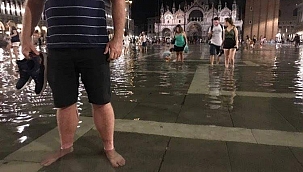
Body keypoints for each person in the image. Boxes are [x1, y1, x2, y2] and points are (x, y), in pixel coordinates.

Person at [21, 0, 126, 168]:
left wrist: (118, 38)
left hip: (96, 46)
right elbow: (32, 4)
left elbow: (118, 1)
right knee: (64, 103)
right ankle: (66, 147)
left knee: (101, 101)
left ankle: (109, 147)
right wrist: (25, 39)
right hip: (58, 48)